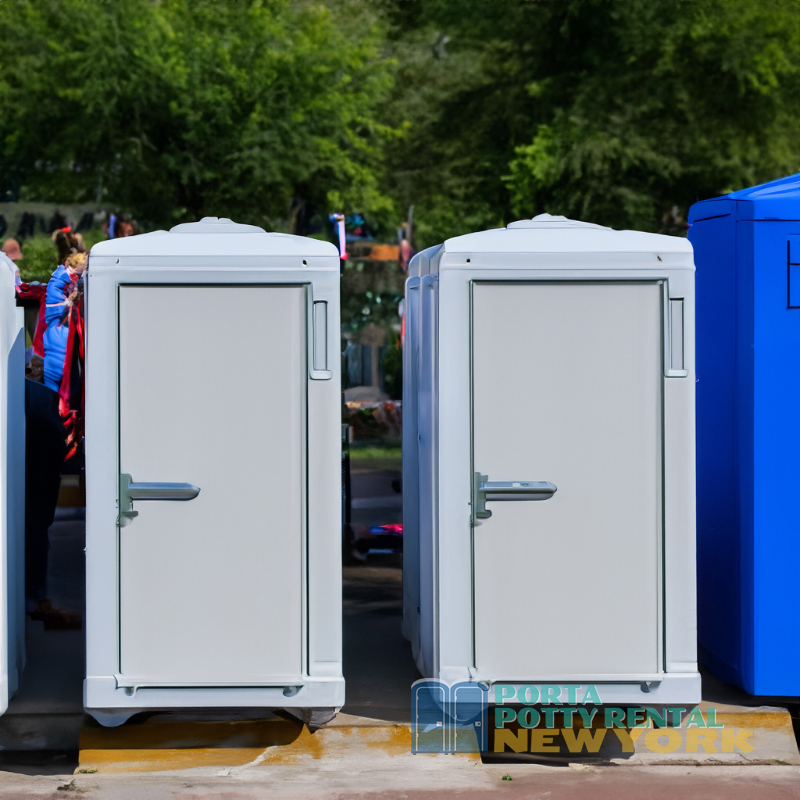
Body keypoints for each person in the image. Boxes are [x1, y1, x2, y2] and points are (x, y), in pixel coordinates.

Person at [42, 251, 86, 392]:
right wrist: (71, 299)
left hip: (55, 336)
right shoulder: (62, 282)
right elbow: (58, 309)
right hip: (58, 339)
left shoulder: (60, 282)